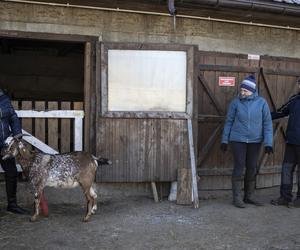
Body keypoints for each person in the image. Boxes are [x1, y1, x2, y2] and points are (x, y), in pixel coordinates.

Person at [221, 75, 273, 208]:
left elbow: (267, 124)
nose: (242, 93)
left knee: (251, 167)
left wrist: (268, 143)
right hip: (238, 139)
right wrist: (224, 140)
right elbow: (229, 122)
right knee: (239, 167)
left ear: (252, 90)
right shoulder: (235, 103)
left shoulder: (262, 103)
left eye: (245, 91)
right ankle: (237, 198)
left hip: (255, 141)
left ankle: (249, 196)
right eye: (241, 90)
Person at [270, 77, 300, 207]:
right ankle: (285, 197)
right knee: (287, 170)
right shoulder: (294, 99)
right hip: (292, 142)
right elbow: (281, 112)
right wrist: (263, 114)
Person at [0, 88, 28, 214]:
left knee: (12, 173)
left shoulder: (4, 99)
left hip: (4, 145)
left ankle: (12, 204)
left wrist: (17, 135)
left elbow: (13, 117)